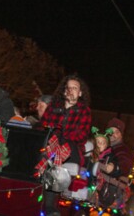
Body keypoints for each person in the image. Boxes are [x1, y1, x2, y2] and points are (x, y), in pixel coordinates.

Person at [40, 75, 92, 216]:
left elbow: (81, 135)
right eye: (68, 88)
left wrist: (60, 136)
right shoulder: (53, 107)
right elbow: (43, 126)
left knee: (56, 153)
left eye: (74, 88)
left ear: (80, 93)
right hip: (50, 146)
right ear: (64, 92)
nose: (71, 90)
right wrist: (53, 137)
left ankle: (50, 207)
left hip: (71, 150)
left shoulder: (84, 111)